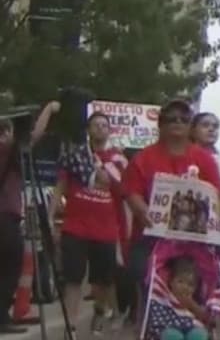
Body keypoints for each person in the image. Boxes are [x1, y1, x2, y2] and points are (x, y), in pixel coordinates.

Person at [122, 101, 220, 297]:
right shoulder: (143, 158)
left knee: (193, 291)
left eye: (183, 119)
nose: (177, 122)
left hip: (194, 242)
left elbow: (217, 197)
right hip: (153, 238)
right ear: (161, 125)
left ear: (190, 126)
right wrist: (142, 209)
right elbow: (131, 192)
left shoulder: (204, 159)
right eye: (171, 119)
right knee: (144, 282)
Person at [53, 111, 127, 337]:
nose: (100, 129)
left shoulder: (119, 160)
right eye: (96, 125)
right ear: (88, 129)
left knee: (102, 281)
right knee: (73, 279)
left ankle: (100, 309)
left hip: (105, 229)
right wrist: (50, 217)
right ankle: (71, 326)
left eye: (104, 125)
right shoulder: (76, 156)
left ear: (110, 131)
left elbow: (122, 193)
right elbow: (60, 187)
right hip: (76, 226)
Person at [0, 102, 57, 334]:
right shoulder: (6, 150)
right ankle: (1, 317)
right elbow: (34, 136)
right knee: (9, 268)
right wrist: (49, 110)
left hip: (7, 216)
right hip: (5, 217)